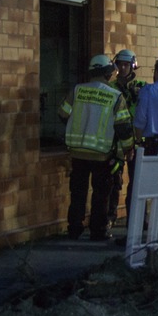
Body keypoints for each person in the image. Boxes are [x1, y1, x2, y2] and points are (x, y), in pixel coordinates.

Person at [58, 54, 133, 241]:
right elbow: (123, 126)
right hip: (102, 154)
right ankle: (98, 232)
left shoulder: (77, 91)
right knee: (100, 195)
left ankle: (74, 229)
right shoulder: (115, 96)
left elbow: (62, 114)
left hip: (78, 152)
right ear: (109, 73)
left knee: (77, 193)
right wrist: (128, 149)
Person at [109, 49, 146, 225]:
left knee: (137, 182)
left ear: (132, 66)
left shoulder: (143, 87)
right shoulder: (111, 89)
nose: (122, 68)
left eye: (126, 65)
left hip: (137, 142)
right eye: (120, 65)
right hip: (115, 142)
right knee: (113, 181)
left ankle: (138, 220)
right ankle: (110, 218)